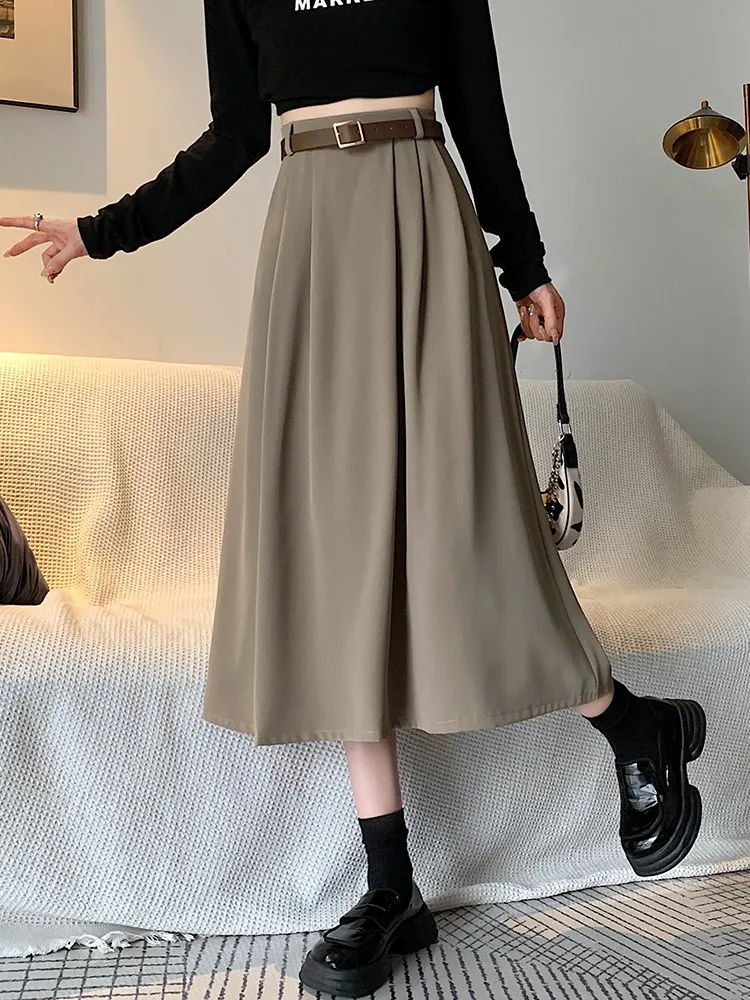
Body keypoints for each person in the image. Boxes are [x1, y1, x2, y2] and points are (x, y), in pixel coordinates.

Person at [1, 1, 707, 996]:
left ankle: (630, 723)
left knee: (470, 522)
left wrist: (526, 266)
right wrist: (100, 230)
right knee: (336, 548)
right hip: (311, 238)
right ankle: (389, 884)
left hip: (423, 221)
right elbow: (236, 134)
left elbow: (479, 110)